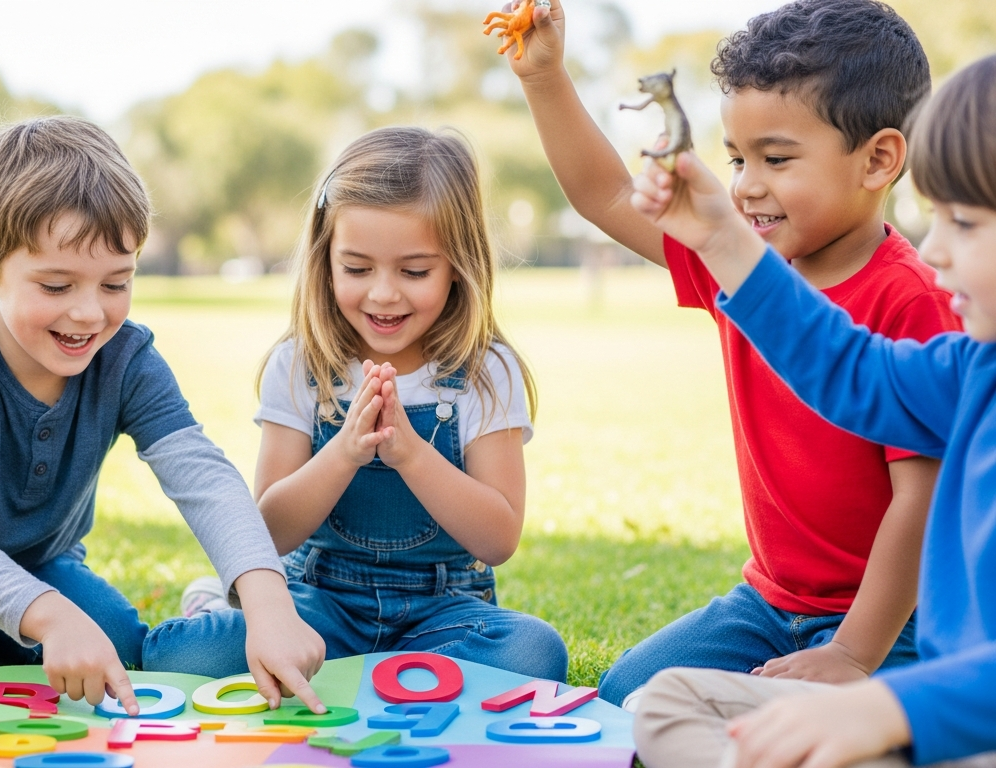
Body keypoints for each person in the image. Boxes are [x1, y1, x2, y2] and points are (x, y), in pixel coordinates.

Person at [506, 0, 959, 706]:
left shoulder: (912, 301)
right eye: (737, 158)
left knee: (826, 729)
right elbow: (608, 195)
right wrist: (545, 78)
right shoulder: (739, 263)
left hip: (892, 622)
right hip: (769, 604)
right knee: (630, 695)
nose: (746, 184)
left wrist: (850, 652)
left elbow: (921, 499)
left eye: (776, 159)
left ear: (878, 160)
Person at [0, 114, 327, 716]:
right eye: (57, 286)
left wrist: (269, 603)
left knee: (116, 646)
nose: (90, 314)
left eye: (116, 283)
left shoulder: (126, 357)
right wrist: (52, 616)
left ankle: (201, 614)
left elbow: (202, 475)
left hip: (37, 563)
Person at [627, 53, 996, 768]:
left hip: (955, 722)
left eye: (966, 223)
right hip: (933, 717)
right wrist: (725, 239)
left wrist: (886, 702)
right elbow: (847, 367)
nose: (937, 249)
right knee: (669, 700)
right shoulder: (972, 369)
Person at [142, 126, 569, 682]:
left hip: (443, 611)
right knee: (181, 656)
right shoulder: (300, 364)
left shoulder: (487, 372)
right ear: (326, 261)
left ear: (458, 266)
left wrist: (411, 455)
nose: (384, 293)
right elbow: (267, 531)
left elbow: (498, 538)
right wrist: (344, 451)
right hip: (318, 600)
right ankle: (227, 613)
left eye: (414, 271)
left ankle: (370, 670)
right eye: (358, 268)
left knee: (533, 655)